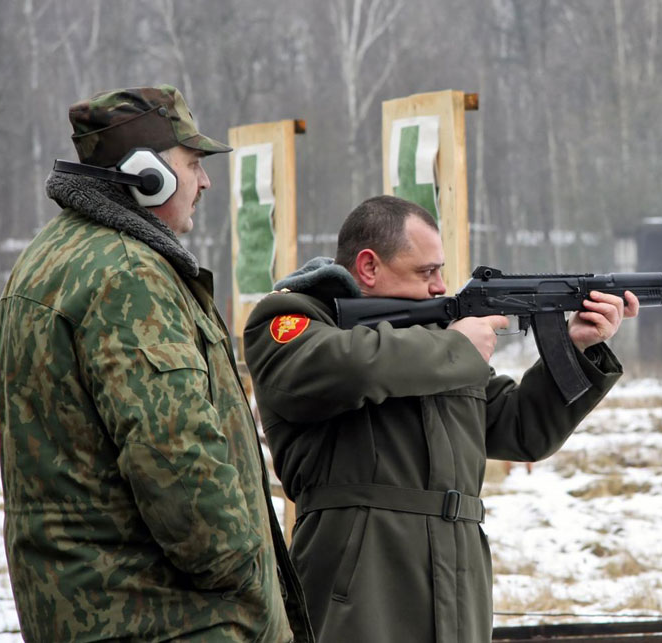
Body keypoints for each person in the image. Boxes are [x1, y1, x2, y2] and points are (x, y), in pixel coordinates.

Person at [243, 195, 639, 642]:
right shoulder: (291, 319)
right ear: (369, 266)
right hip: (361, 584)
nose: (440, 286)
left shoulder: (430, 344)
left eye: (440, 271)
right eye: (426, 271)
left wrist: (576, 349)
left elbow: (521, 429)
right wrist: (455, 349)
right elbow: (345, 368)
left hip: (456, 580)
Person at [0, 85, 312, 642]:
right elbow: (174, 449)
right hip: (172, 619)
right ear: (147, 175)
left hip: (91, 612)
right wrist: (244, 574)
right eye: (193, 165)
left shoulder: (49, 258)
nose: (205, 182)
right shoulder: (127, 274)